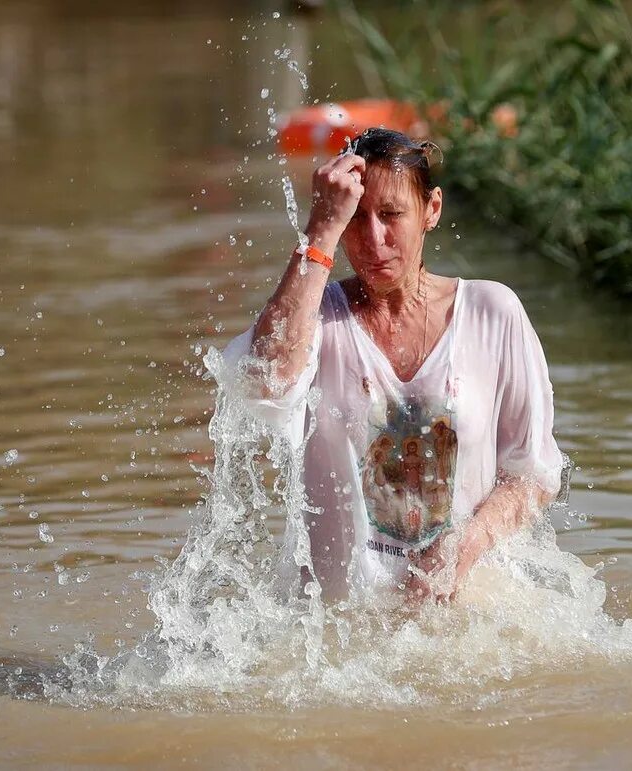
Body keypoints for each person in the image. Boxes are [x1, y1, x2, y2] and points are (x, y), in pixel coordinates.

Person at [222, 128, 562, 603]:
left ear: (432, 210)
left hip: (463, 622)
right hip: (334, 636)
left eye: (391, 215)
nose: (373, 239)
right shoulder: (316, 318)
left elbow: (533, 476)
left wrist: (468, 543)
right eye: (355, 219)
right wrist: (321, 227)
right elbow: (265, 381)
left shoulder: (492, 313)